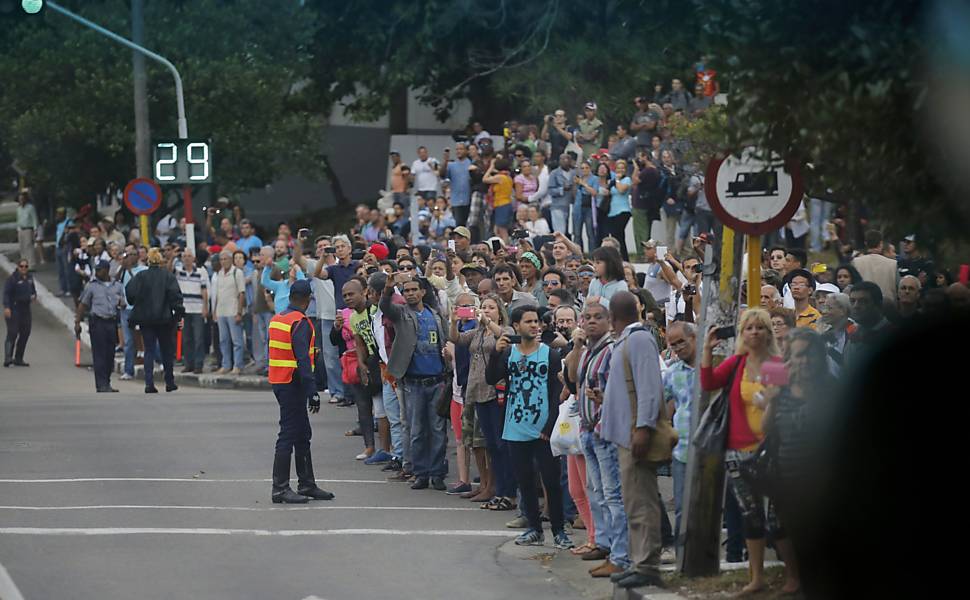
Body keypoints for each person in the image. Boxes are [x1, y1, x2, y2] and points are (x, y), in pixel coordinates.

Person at [700, 308, 783, 596]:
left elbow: (783, 407)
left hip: (771, 451)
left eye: (761, 328)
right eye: (749, 328)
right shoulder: (737, 363)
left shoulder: (775, 364)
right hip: (738, 451)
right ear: (742, 333)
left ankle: (792, 573)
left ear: (768, 333)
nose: (755, 333)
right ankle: (756, 577)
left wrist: (771, 400)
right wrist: (708, 351)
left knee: (779, 518)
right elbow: (708, 383)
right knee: (752, 516)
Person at [486, 304, 572, 550]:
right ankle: (534, 528)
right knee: (525, 480)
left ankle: (558, 529)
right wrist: (495, 353)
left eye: (536, 321)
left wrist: (549, 424)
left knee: (551, 481)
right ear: (515, 326)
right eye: (528, 322)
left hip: (542, 427)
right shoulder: (508, 353)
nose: (534, 326)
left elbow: (557, 392)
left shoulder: (550, 354)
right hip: (516, 425)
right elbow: (492, 379)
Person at [757, 328, 835, 596]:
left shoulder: (830, 386)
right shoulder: (780, 383)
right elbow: (766, 428)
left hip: (820, 472)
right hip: (785, 468)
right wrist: (774, 399)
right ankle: (794, 578)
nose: (802, 361)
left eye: (807, 354)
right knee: (785, 526)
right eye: (796, 355)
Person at [598, 291, 665, 589]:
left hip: (635, 434)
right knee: (632, 502)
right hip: (623, 436)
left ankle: (647, 563)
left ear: (612, 318)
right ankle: (639, 561)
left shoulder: (638, 340)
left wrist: (643, 427)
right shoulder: (626, 340)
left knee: (642, 502)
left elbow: (650, 387)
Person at [564, 301, 631, 576]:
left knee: (613, 494)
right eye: (587, 317)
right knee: (597, 492)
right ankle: (602, 543)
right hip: (587, 428)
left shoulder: (612, 350)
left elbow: (617, 390)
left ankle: (620, 553)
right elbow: (572, 379)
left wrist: (603, 421)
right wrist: (577, 346)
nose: (591, 322)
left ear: (609, 320)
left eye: (597, 317)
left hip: (604, 431)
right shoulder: (589, 350)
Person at [380, 271, 451, 491]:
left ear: (422, 292)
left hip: (437, 380)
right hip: (413, 383)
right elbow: (385, 307)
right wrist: (389, 288)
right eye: (407, 290)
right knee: (417, 429)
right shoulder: (401, 313)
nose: (410, 294)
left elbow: (446, 341)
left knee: (438, 430)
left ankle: (437, 472)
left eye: (414, 290)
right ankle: (420, 472)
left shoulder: (436, 315)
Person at [267, 279, 334, 504]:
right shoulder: (301, 322)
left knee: (302, 433)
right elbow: (303, 359)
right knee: (288, 434)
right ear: (308, 300)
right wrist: (312, 391)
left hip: (280, 381)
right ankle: (280, 488)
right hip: (292, 383)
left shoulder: (278, 319)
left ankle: (306, 483)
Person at [126, 248, 183, 394]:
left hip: (146, 319)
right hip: (164, 319)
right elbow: (175, 296)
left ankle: (149, 383)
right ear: (160, 261)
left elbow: (130, 292)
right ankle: (169, 382)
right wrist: (178, 313)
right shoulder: (167, 276)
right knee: (166, 351)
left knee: (149, 350)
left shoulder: (141, 276)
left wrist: (136, 302)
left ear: (148, 261)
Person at [662, 321, 697, 553]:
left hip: (713, 447)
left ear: (694, 338)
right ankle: (683, 557)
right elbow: (659, 403)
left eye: (681, 342)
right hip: (683, 449)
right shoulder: (673, 372)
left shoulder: (712, 366)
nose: (678, 348)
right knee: (683, 507)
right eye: (673, 345)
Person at [75, 260, 125, 392]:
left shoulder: (118, 286)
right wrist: (77, 323)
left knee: (110, 354)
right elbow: (82, 305)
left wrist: (121, 304)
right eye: (96, 270)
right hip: (98, 322)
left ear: (107, 270)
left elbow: (123, 303)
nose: (97, 273)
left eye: (100, 270)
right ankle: (100, 384)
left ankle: (107, 382)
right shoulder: (91, 286)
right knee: (99, 354)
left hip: (112, 322)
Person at [212, 251, 247, 374]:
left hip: (233, 310)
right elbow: (218, 294)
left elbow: (241, 293)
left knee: (236, 340)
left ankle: (238, 365)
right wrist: (215, 310)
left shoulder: (237, 273)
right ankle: (226, 364)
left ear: (230, 260)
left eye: (225, 259)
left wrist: (239, 312)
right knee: (223, 340)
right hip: (221, 311)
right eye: (221, 259)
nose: (223, 262)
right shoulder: (219, 274)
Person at [175, 252, 209, 374]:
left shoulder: (201, 271)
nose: (187, 259)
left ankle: (198, 364)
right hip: (183, 311)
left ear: (194, 258)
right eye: (184, 256)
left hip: (197, 309)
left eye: (189, 256)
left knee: (198, 338)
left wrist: (205, 307)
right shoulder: (178, 272)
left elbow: (204, 290)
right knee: (186, 338)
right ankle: (188, 363)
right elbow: (168, 270)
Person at [3, 259, 36, 367]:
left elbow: (33, 291)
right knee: (12, 333)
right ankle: (8, 358)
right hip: (14, 308)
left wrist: (33, 296)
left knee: (25, 333)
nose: (24, 268)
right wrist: (7, 307)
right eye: (22, 266)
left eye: (26, 266)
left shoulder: (30, 278)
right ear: (18, 267)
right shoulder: (12, 279)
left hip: (26, 309)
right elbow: (6, 294)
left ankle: (19, 358)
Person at [851, 230, 899, 304]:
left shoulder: (856, 262)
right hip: (887, 307)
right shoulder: (893, 264)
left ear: (866, 243)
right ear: (881, 244)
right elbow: (898, 287)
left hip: (863, 306)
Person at [16, 191, 39, 269]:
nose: (21, 200)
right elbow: (18, 219)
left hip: (28, 229)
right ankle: (24, 265)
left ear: (25, 199)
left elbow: (34, 219)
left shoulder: (30, 207)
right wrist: (18, 229)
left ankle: (31, 265)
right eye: (20, 199)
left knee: (29, 247)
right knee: (22, 248)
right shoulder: (18, 208)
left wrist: (35, 230)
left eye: (22, 199)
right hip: (21, 230)